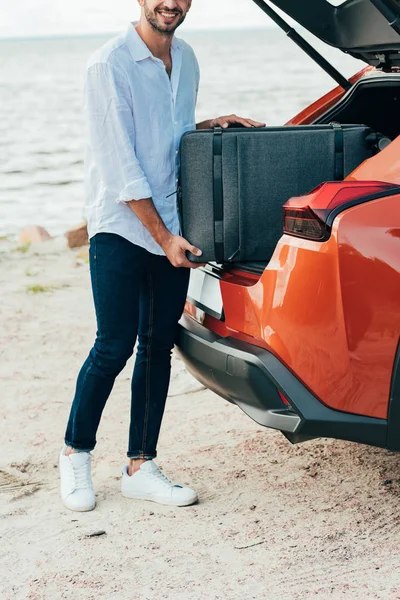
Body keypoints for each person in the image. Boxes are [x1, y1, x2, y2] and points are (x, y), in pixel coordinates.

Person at [59, 0, 265, 512]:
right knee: (114, 346)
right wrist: (163, 238)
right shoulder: (108, 64)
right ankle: (75, 453)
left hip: (173, 226)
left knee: (157, 346)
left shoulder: (187, 58)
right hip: (122, 229)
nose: (168, 3)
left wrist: (208, 127)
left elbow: (167, 138)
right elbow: (121, 165)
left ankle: (140, 465)